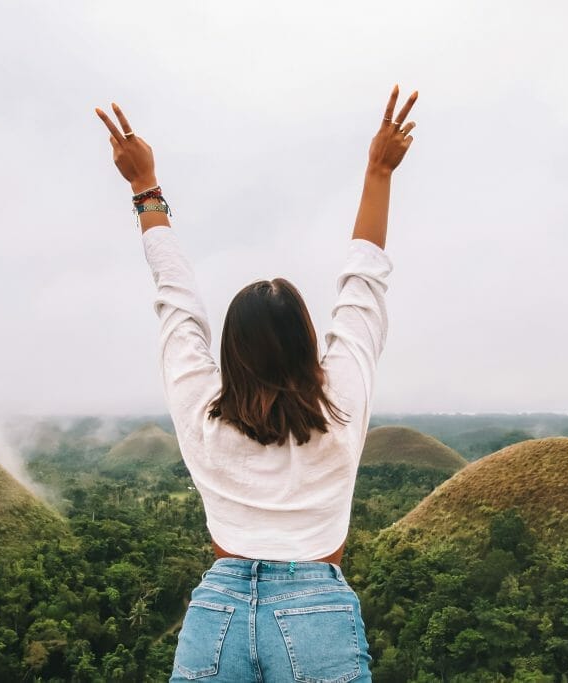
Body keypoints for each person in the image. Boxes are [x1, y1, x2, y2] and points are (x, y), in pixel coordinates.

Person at [95, 83, 417, 682]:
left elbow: (177, 301)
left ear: (229, 355)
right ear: (308, 344)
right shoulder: (341, 406)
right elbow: (362, 285)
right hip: (316, 612)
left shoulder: (202, 416)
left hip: (214, 613)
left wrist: (145, 186)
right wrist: (379, 172)